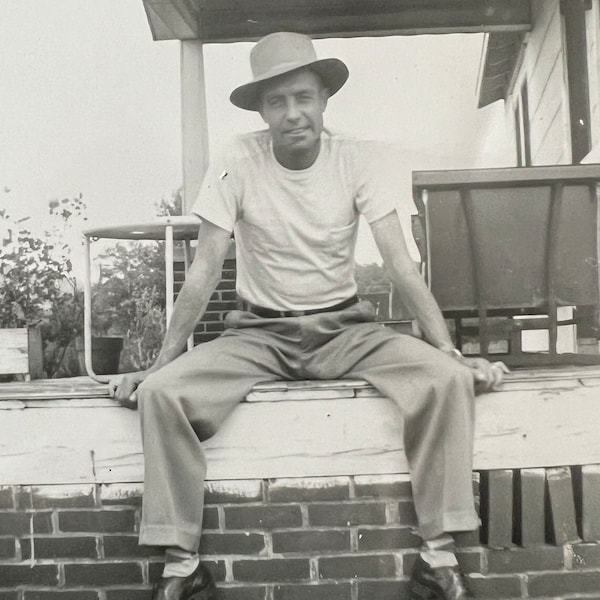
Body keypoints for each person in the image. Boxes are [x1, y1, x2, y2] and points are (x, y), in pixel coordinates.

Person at [110, 31, 506, 600]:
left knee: (445, 380)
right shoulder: (236, 159)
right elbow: (203, 269)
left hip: (344, 328)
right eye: (277, 102)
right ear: (262, 111)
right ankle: (182, 565)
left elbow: (399, 263)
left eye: (303, 97)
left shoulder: (359, 159)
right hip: (258, 332)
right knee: (162, 394)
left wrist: (447, 349)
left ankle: (436, 559)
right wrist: (160, 363)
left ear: (324, 100)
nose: (293, 114)